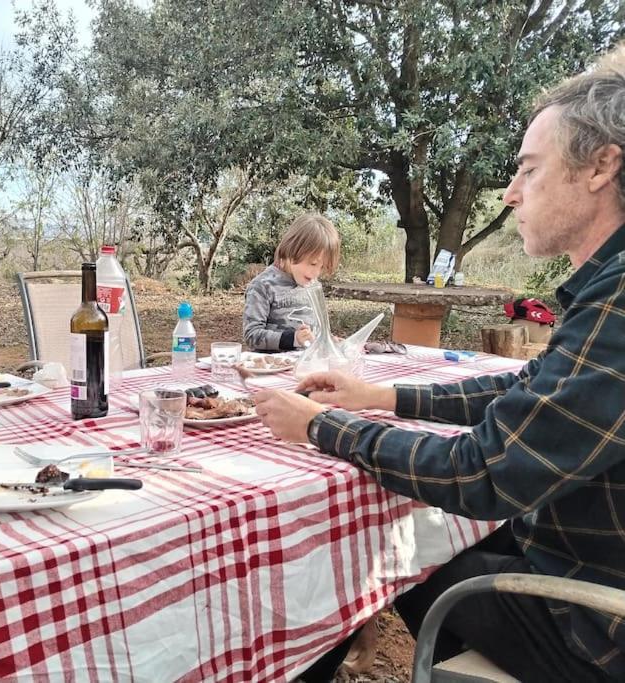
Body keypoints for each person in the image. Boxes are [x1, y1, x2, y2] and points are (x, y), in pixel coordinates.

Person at [255, 45, 625, 683]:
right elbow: (529, 387)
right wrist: (382, 399)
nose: (510, 194)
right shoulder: (605, 291)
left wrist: (320, 425)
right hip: (573, 558)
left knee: (380, 551)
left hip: (595, 625)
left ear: (600, 167)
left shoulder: (618, 301)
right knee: (417, 539)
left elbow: (481, 471)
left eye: (530, 171)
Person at [242, 213, 341, 352]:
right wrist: (293, 339)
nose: (316, 274)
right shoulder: (263, 286)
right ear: (292, 250)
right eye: (313, 263)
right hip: (273, 368)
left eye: (322, 267)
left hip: (307, 367)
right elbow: (252, 335)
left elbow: (319, 330)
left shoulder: (313, 285)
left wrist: (328, 340)